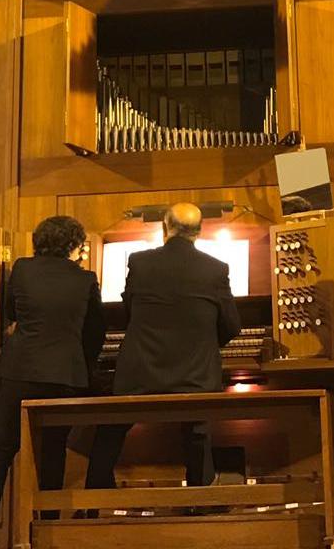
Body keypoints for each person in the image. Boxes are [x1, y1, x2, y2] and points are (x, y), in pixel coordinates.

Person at [0, 216, 105, 549]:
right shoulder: (86, 279)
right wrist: (83, 365)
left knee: (1, 449)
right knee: (53, 449)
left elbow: (11, 311)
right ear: (74, 245)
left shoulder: (22, 269)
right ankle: (47, 526)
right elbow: (95, 334)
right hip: (63, 375)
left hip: (20, 370)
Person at [85, 202, 241, 492]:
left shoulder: (140, 262)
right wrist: (202, 344)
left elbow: (130, 312)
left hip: (141, 374)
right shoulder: (216, 268)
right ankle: (199, 500)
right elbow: (232, 326)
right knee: (197, 427)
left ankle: (94, 498)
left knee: (112, 425)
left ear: (165, 227)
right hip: (194, 379)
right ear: (199, 231)